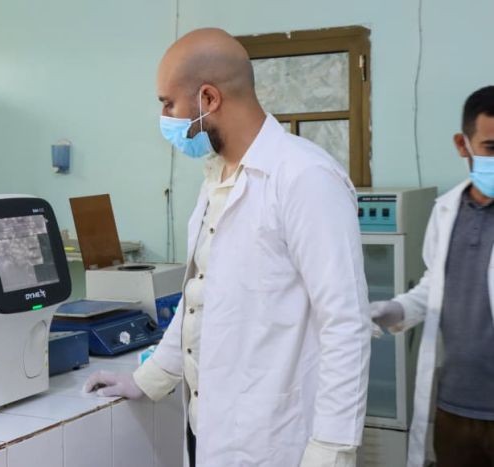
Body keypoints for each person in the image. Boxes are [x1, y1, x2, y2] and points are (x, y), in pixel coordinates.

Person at [84, 28, 371, 467]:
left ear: (209, 98)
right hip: (211, 429)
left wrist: (333, 449)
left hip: (277, 439)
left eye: (168, 104)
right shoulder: (218, 177)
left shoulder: (305, 178)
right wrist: (149, 378)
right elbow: (198, 298)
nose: (164, 117)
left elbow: (345, 323)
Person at [371, 85, 494, 467]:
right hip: (454, 406)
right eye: (491, 147)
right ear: (463, 144)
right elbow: (435, 287)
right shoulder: (446, 212)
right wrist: (394, 309)